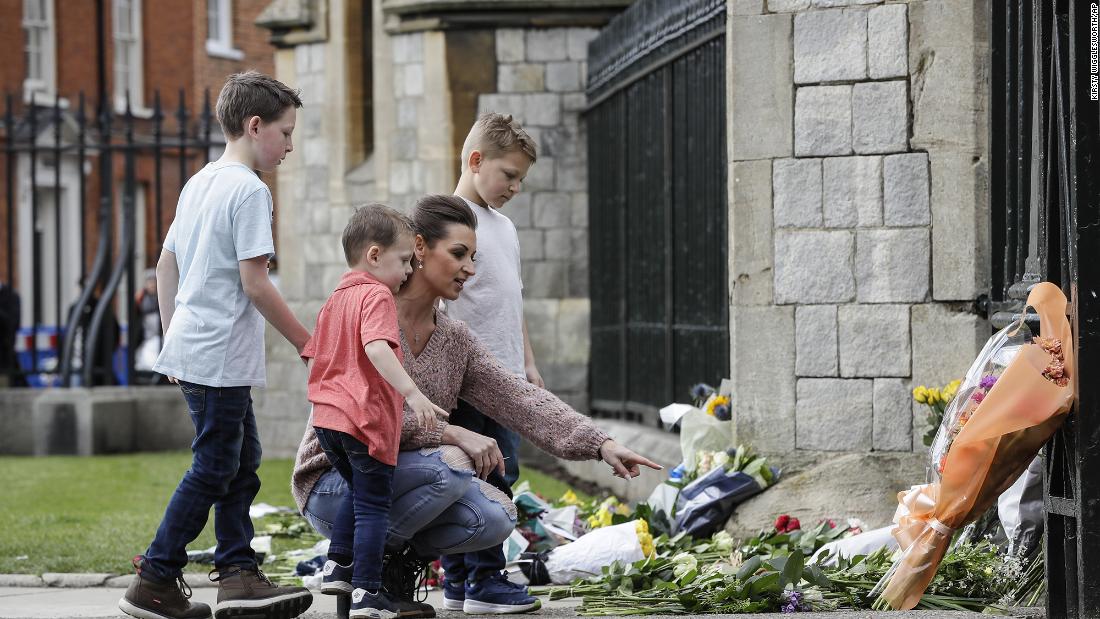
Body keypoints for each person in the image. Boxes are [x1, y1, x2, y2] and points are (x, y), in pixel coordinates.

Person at [292, 194, 660, 617]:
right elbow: (356, 413)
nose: (470, 268)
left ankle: (388, 570)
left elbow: (519, 398)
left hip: (400, 479)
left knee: (495, 516)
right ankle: (363, 571)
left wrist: (600, 443)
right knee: (450, 463)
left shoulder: (455, 340)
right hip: (335, 484)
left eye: (473, 257)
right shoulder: (369, 312)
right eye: (459, 254)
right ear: (418, 248)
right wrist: (450, 432)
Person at [119, 71, 314, 619]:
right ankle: (155, 578)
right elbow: (255, 283)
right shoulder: (251, 190)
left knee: (241, 458)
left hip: (196, 350)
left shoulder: (200, 181)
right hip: (220, 354)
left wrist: (171, 342)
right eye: (286, 131)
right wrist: (308, 342)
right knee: (215, 465)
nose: (290, 145)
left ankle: (237, 573)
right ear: (255, 126)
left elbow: (164, 266)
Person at [302, 204, 449, 619]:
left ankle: (339, 563)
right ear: (374, 255)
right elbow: (376, 347)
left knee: (357, 490)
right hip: (365, 423)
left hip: (327, 421)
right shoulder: (376, 294)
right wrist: (413, 393)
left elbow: (315, 356)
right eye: (404, 261)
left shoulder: (336, 298)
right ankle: (368, 592)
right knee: (373, 506)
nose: (408, 271)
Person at [442, 112, 542, 612]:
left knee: (502, 470)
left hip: (507, 376)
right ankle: (484, 578)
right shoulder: (449, 222)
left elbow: (511, 300)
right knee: (484, 475)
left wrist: (528, 362)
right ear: (476, 160)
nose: (516, 187)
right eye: (509, 174)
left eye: (522, 178)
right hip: (467, 378)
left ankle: (459, 581)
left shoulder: (504, 227)